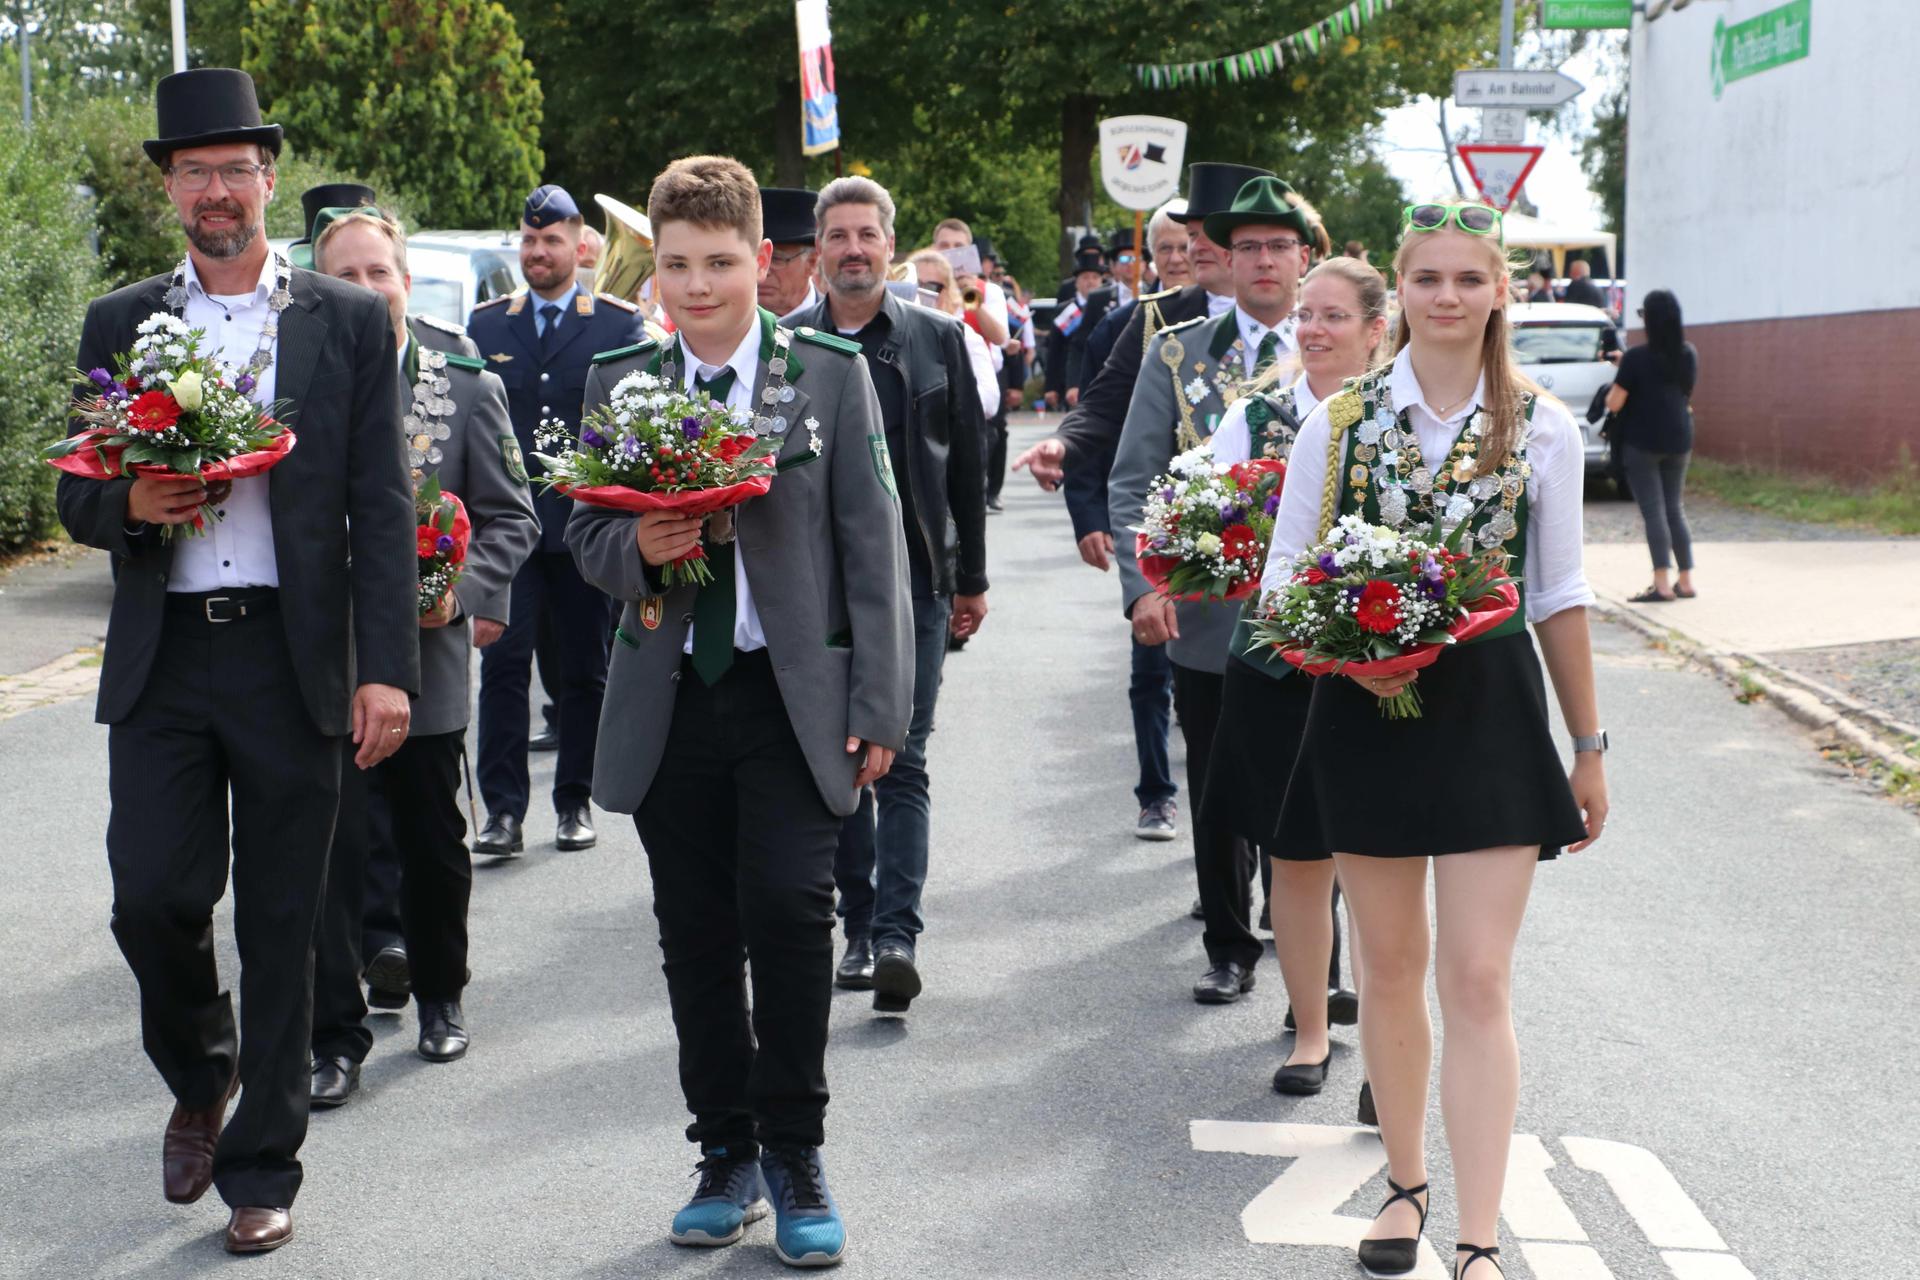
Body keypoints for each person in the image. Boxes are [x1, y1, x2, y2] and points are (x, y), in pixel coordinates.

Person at [57, 67, 416, 1255]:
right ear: (170, 188)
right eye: (194, 170)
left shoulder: (344, 321)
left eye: (236, 169)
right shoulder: (119, 321)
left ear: (269, 178)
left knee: (282, 922)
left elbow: (380, 503)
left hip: (291, 655)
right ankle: (201, 1066)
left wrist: (386, 668)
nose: (217, 190)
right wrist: (133, 505)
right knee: (152, 898)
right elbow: (75, 491)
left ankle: (263, 1165)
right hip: (164, 660)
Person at [568, 154, 912, 1267]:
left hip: (789, 696)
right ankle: (724, 1152)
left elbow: (875, 546)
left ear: (763, 261)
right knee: (696, 932)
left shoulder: (826, 374)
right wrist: (638, 544)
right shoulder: (622, 377)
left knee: (791, 911)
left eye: (719, 263)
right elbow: (583, 536)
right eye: (676, 265)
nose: (697, 286)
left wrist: (882, 706)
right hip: (673, 694)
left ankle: (796, 1150)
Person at [1264, 200, 1609, 1280]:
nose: (1448, 297)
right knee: (1392, 965)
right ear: (1400, 293)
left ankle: (1479, 1235)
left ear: (1501, 290)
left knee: (1479, 976)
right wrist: (1344, 653)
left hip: (1492, 713)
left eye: (1469, 278)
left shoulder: (1543, 427)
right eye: (1428, 279)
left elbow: (1559, 593)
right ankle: (1405, 1186)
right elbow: (1281, 580)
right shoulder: (1337, 422)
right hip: (1362, 709)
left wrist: (1589, 744)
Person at [306, 209, 538, 1102]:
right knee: (327, 849)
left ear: (407, 282)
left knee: (431, 840)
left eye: (380, 273)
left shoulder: (466, 387)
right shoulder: (293, 384)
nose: (367, 290)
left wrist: (461, 593)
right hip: (317, 660)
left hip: (424, 657)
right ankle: (335, 1035)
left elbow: (512, 516)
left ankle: (441, 994)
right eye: (346, 276)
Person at [1108, 174, 1316, 1005]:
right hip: (1209, 615)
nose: (1263, 261)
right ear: (1225, 258)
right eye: (1248, 247)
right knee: (1218, 786)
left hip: (1320, 614)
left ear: (1305, 258)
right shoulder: (1178, 352)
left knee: (1311, 785)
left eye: (1279, 246)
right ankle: (1229, 945)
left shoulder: (1341, 345)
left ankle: (1315, 958)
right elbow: (1134, 479)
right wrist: (1142, 587)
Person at [788, 177, 990, 1012]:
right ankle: (859, 926)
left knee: (902, 758)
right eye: (838, 236)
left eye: (866, 234)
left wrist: (972, 578)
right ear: (818, 250)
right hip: (817, 591)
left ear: (890, 245)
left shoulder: (937, 338)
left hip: (916, 582)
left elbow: (966, 465)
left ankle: (896, 936)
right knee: (841, 757)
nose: (853, 249)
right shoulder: (787, 344)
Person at [1205, 256, 1389, 1101]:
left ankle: (1387, 1053)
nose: (1312, 329)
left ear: (1375, 330)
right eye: (1305, 315)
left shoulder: (1401, 420)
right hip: (1277, 664)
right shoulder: (1256, 416)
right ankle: (1310, 1034)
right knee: (1298, 856)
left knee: (1383, 862)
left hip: (1382, 667)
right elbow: (1215, 521)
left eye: (1333, 316)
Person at [468, 183, 647, 858]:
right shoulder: (487, 325)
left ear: (581, 245)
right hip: (508, 531)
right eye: (529, 239)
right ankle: (503, 813)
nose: (538, 251)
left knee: (584, 670)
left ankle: (575, 801)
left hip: (582, 529)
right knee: (503, 669)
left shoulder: (616, 325)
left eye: (551, 240)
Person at [1011, 161, 1270, 493]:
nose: (1196, 248)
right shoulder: (1157, 315)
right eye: (1192, 235)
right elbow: (1104, 402)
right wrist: (1064, 442)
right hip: (1187, 509)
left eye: (1211, 235)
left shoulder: (1306, 315)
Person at [1060, 198, 1191, 841]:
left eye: (1188, 245)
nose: (1179, 258)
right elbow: (1095, 423)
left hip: (1237, 518)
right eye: (1165, 248)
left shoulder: (1245, 324)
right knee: (1151, 666)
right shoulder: (1124, 325)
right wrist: (1087, 513)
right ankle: (1156, 793)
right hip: (1151, 514)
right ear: (1150, 257)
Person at [1607, 289, 1698, 602]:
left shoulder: (1636, 358)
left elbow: (1615, 402)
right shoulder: (1687, 353)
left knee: (1653, 511)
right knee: (1674, 508)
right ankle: (1685, 580)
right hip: (1679, 437)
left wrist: (1624, 371)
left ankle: (1661, 584)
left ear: (1649, 319)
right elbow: (1681, 389)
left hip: (1643, 441)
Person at [910, 248, 1000, 421]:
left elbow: (989, 399)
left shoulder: (963, 334)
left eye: (932, 286)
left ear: (948, 291)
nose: (922, 292)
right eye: (915, 285)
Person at [1043, 248, 1111, 409]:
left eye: (1095, 277)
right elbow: (1054, 349)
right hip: (1071, 378)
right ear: (1076, 282)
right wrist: (1051, 386)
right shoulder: (1065, 310)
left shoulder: (1110, 307)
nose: (1090, 282)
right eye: (1085, 277)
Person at [759, 186, 821, 317]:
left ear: (812, 262)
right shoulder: (722, 325)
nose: (762, 270)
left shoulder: (839, 322)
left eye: (776, 259)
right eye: (756, 259)